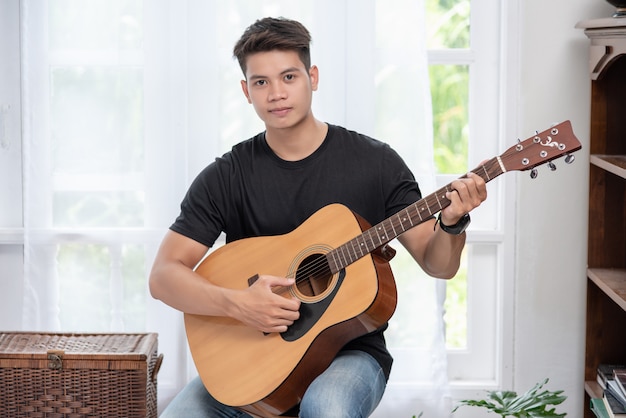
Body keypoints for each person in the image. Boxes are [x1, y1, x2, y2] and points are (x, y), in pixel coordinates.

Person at [149, 16, 487, 418]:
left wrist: (451, 224)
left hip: (351, 354)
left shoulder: (375, 163)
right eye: (261, 82)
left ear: (312, 76)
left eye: (288, 76)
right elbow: (164, 276)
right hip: (256, 358)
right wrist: (238, 305)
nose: (276, 93)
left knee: (325, 407)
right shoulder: (228, 174)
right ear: (246, 91)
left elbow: (438, 264)